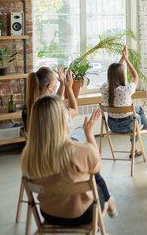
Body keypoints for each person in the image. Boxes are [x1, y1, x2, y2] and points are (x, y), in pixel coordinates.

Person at [21, 95, 118, 226]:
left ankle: (110, 201)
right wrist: (89, 134)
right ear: (62, 121)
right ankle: (110, 200)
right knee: (95, 176)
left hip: (49, 214)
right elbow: (97, 166)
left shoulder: (28, 156)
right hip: (82, 214)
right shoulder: (80, 151)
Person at [101, 45, 147, 158]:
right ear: (121, 75)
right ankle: (134, 149)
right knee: (136, 117)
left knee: (138, 109)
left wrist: (122, 59)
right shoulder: (126, 90)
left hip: (112, 125)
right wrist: (127, 60)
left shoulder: (104, 88)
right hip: (127, 126)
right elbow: (135, 76)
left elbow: (115, 74)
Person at [23, 65, 85, 142]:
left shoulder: (29, 107)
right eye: (56, 82)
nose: (56, 84)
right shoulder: (56, 110)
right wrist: (69, 87)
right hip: (60, 148)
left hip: (40, 148)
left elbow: (56, 100)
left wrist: (62, 84)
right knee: (84, 129)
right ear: (49, 86)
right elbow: (75, 111)